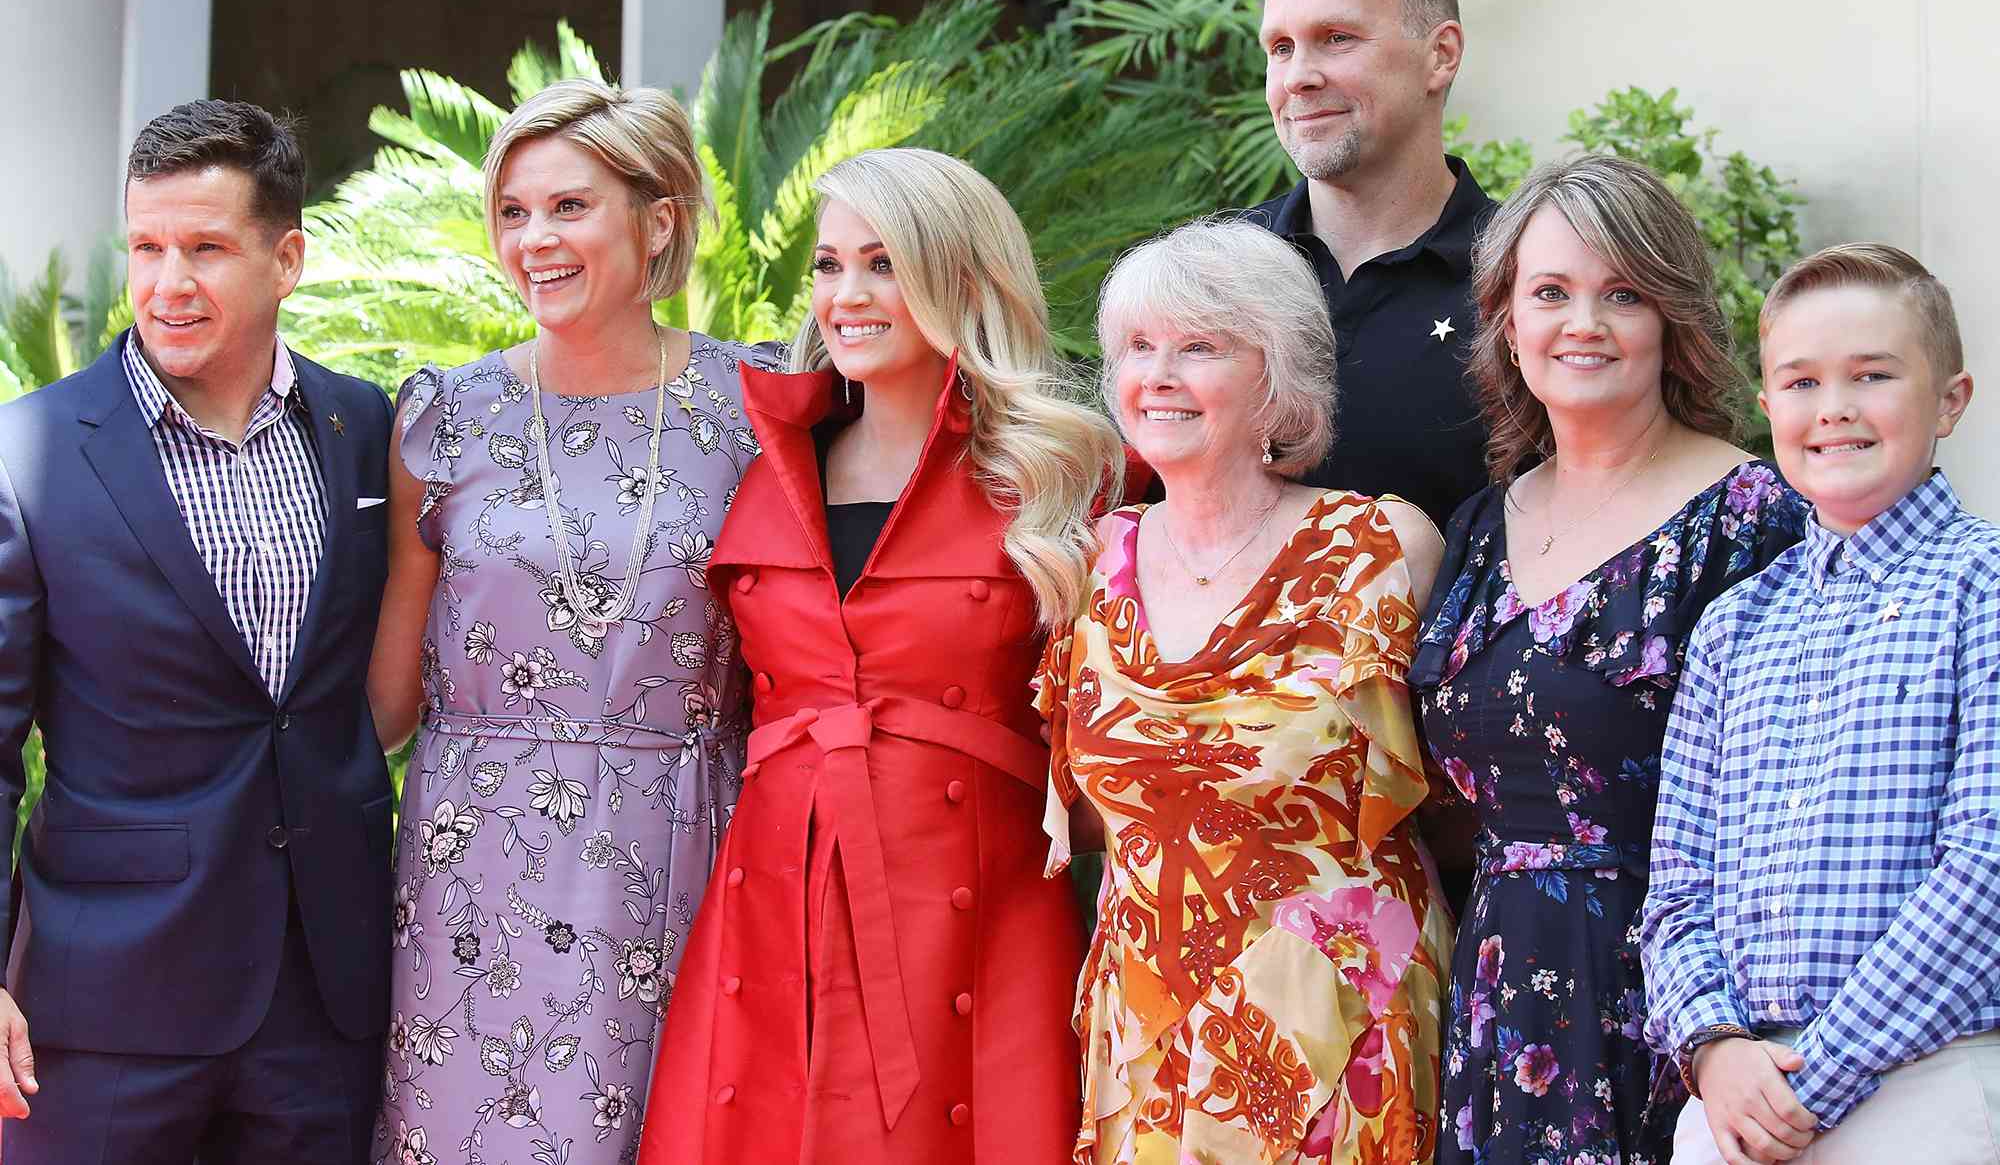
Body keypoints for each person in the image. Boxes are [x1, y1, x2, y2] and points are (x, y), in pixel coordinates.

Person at [638, 147, 1125, 1164]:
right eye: (826, 266)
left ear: (957, 276)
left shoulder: (1056, 473)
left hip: (975, 894)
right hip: (774, 883)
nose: (845, 296)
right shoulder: (764, 457)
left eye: (881, 264)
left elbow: (1119, 723)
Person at [367, 81, 772, 1165]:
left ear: (657, 220)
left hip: (689, 846)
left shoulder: (762, 406)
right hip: (471, 867)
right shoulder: (441, 416)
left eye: (568, 207)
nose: (533, 239)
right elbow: (385, 701)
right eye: (512, 210)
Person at [0, 100, 394, 1161]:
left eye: (207, 248)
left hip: (324, 1001)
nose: (168, 283)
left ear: (287, 257)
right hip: (101, 1010)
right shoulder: (28, 453)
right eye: (146, 246)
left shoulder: (368, 432)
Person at [1408, 155, 1808, 1164]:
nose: (1581, 323)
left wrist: (1729, 1035)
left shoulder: (1755, 520)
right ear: (1505, 318)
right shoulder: (1476, 529)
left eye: (1619, 292)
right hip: (1496, 999)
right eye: (1549, 292)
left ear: (1670, 316)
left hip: (1686, 1011)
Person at [1038, 218, 1451, 1163]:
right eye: (1139, 348)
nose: (1160, 375)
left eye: (1201, 346)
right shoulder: (1089, 563)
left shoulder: (1382, 549)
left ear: (1280, 377)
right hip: (1145, 1022)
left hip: (1338, 1024)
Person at [1643, 244, 1999, 1165]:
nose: (1833, 407)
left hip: (1926, 1084)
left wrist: (1819, 1071)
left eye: (1872, 375)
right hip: (1737, 1096)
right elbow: (1678, 885)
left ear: (1950, 399)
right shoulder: (1733, 626)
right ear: (1769, 410)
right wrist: (1714, 1048)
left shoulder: (1982, 588)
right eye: (1801, 382)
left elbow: (1987, 871)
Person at [1245, 0, 1496, 535]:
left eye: (1336, 38)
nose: (1299, 76)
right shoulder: (1213, 276)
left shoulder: (1528, 280)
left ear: (1441, 55)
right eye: (1280, 48)